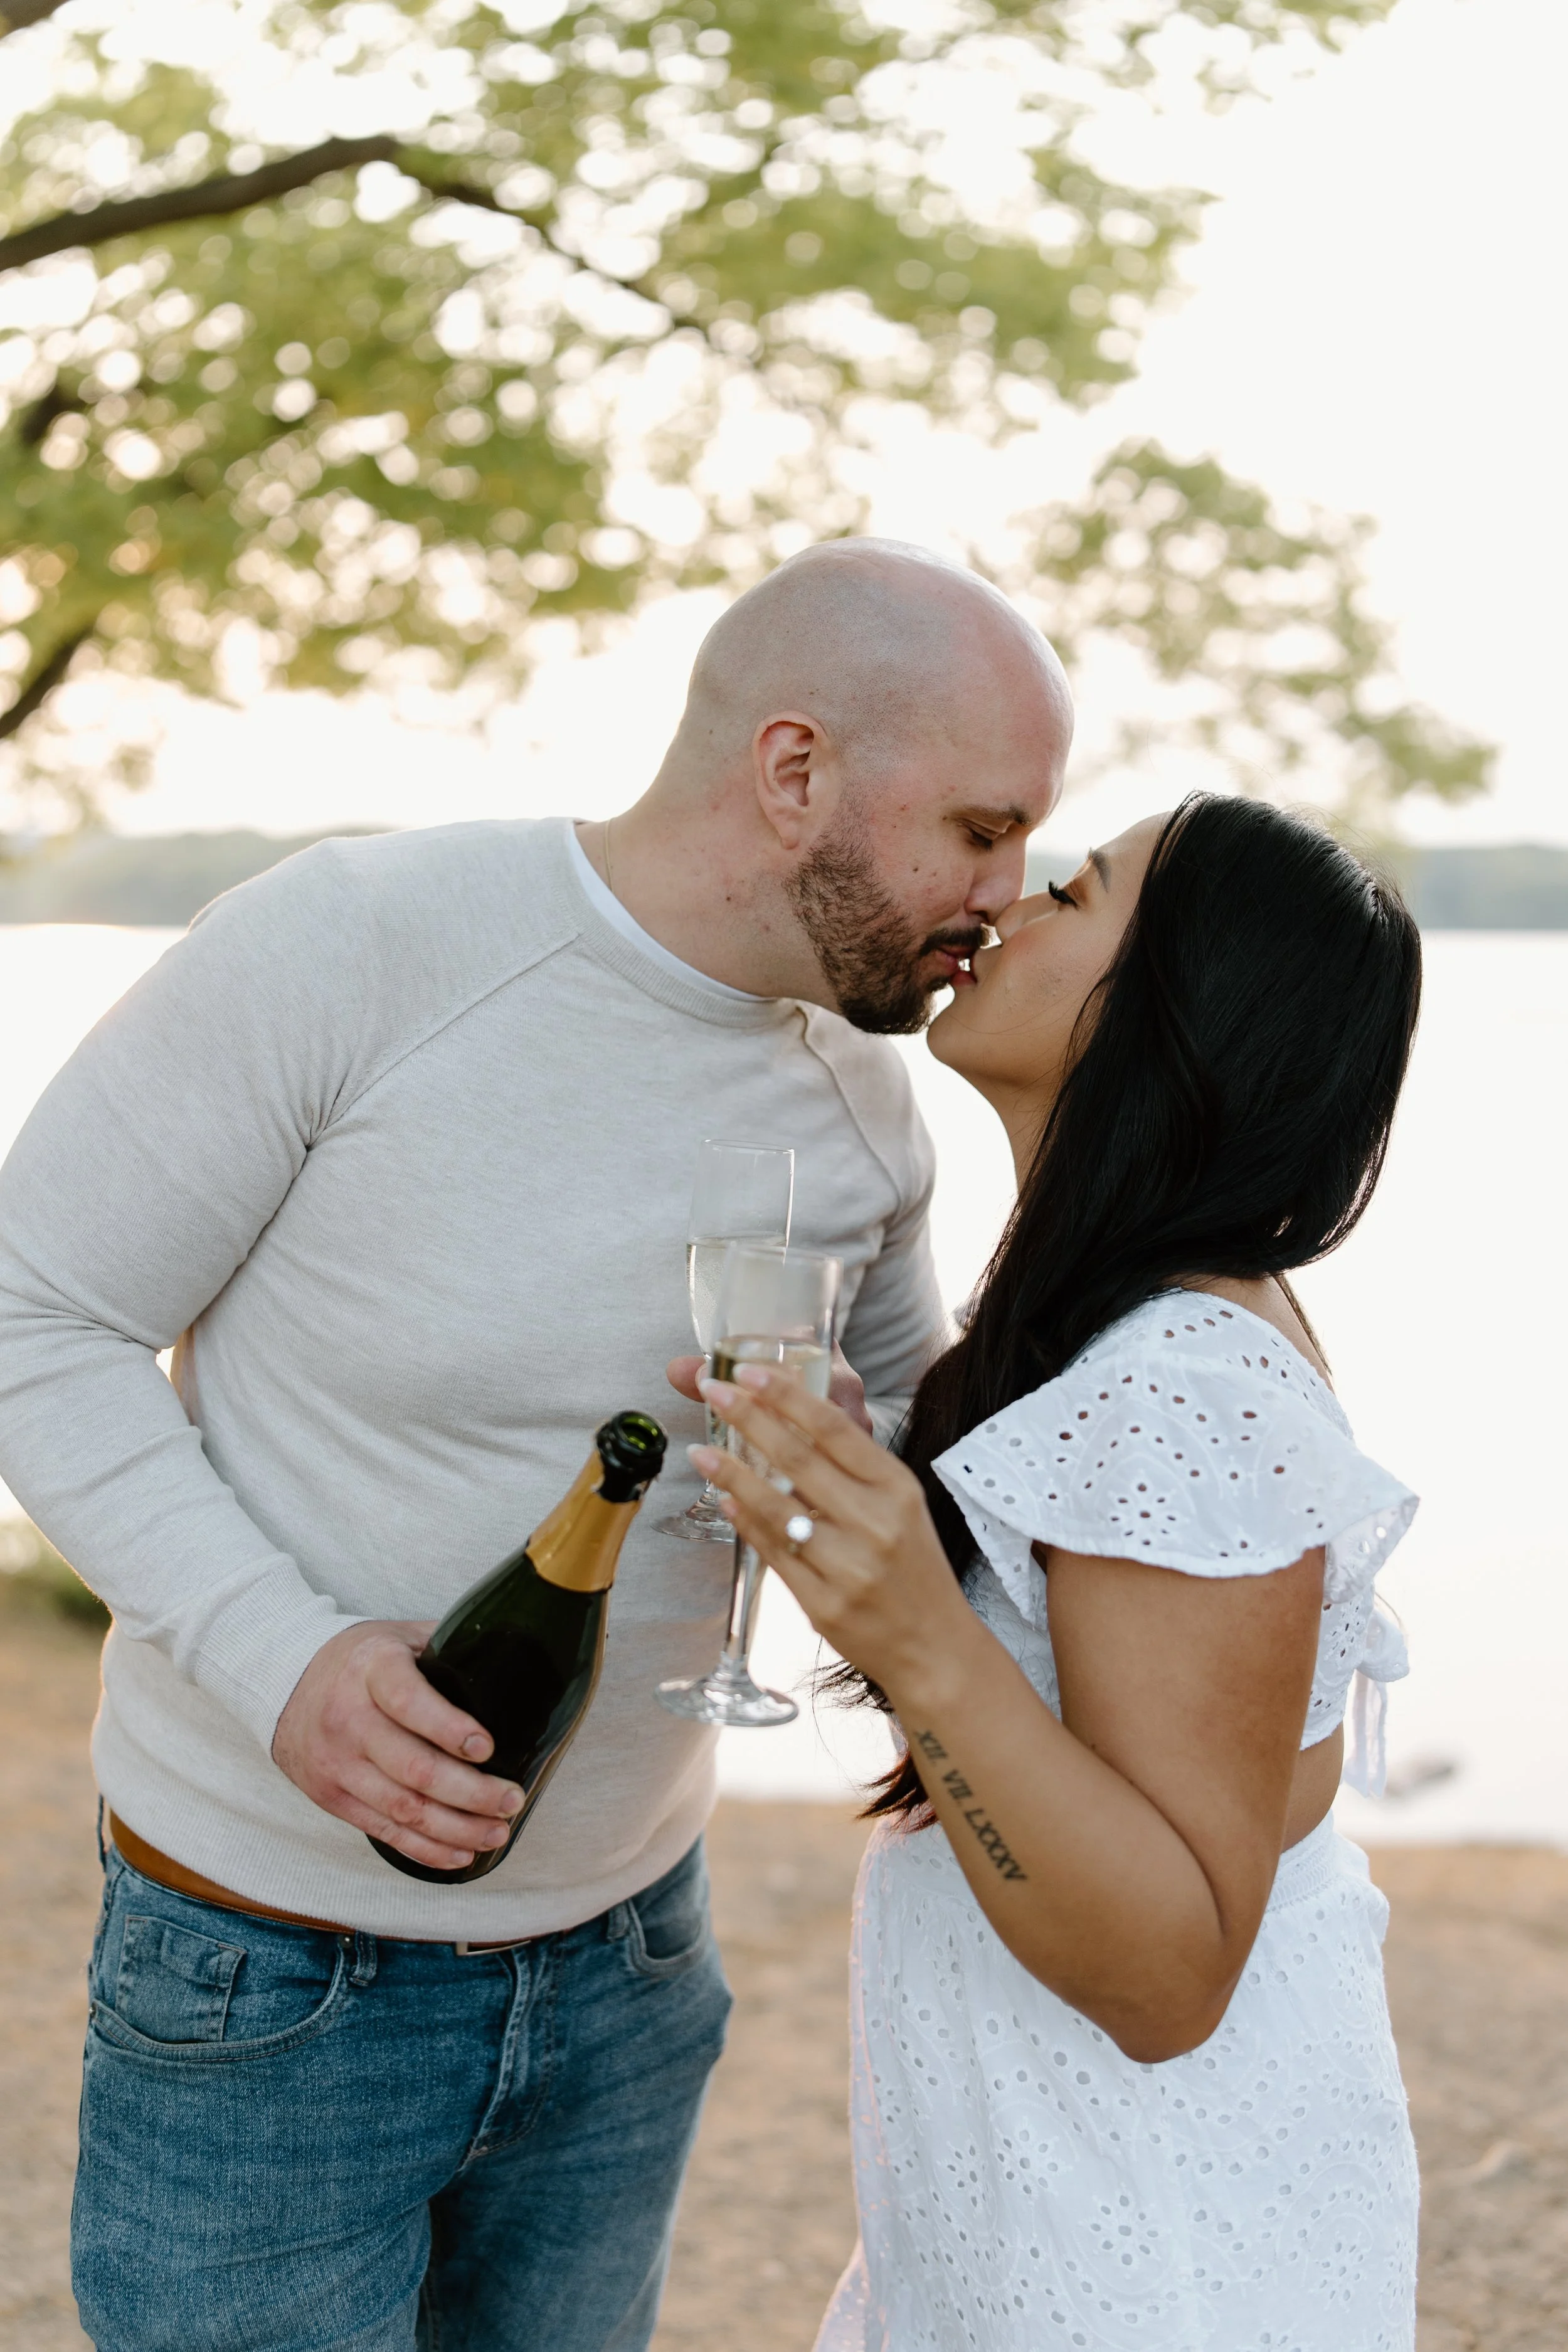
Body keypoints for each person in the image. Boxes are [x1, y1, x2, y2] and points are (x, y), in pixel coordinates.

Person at [0, 540, 1072, 2352]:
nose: (1005, 886)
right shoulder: (354, 946)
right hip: (266, 1967)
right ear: (792, 769)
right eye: (976, 826)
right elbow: (38, 1318)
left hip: (633, 1965)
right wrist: (286, 1663)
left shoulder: (870, 1097)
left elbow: (925, 1474)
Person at [694, 792, 1424, 2352]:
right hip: (1077, 2205)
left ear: (1170, 1014)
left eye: (1076, 894)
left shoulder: (1177, 1384)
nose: (1008, 903)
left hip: (1145, 2251)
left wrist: (909, 1627)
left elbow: (1168, 1977)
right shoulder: (1138, 1336)